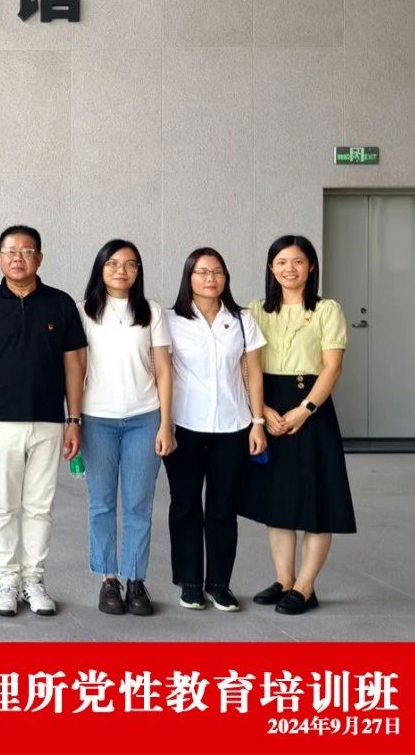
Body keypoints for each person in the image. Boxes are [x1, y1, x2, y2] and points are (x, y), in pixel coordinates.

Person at [0, 225, 86, 617]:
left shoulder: (60, 304)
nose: (18, 258)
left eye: (27, 251)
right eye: (10, 251)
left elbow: (74, 364)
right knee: (3, 506)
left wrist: (73, 419)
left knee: (39, 505)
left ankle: (34, 579)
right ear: (0, 258)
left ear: (39, 258)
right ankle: (6, 580)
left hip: (49, 421)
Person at [241, 235, 356, 615]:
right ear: (271, 268)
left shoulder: (326, 309)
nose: (289, 269)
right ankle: (283, 580)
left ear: (311, 267)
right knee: (278, 499)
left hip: (313, 407)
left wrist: (304, 410)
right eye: (281, 262)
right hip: (268, 405)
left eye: (298, 261)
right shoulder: (256, 310)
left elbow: (332, 367)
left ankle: (305, 586)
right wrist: (262, 410)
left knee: (317, 500)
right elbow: (246, 365)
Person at [163, 247, 267, 613]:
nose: (211, 278)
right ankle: (190, 583)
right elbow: (161, 373)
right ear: (188, 277)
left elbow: (253, 372)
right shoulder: (170, 320)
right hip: (184, 426)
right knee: (185, 505)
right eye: (202, 272)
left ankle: (220, 584)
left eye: (217, 271)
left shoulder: (241, 319)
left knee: (223, 507)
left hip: (232, 426)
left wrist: (258, 422)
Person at [76, 239, 174, 617]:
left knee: (138, 504)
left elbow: (163, 369)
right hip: (97, 420)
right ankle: (108, 579)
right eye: (113, 264)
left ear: (138, 271)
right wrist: (74, 420)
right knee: (101, 503)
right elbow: (74, 370)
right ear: (100, 268)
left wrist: (166, 424)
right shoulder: (83, 311)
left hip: (144, 419)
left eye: (130, 264)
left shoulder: (151, 311)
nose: (122, 271)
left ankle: (135, 579)